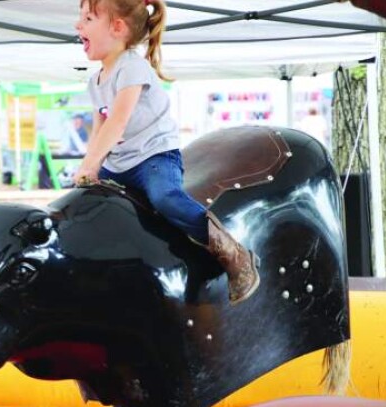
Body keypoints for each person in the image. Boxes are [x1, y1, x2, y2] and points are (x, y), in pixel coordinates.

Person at [73, 0, 259, 305]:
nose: (78, 26)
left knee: (164, 198)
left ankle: (234, 254)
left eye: (88, 18)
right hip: (119, 163)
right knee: (88, 202)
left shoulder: (131, 67)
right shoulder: (95, 81)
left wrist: (90, 164)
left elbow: (117, 122)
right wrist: (88, 166)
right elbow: (99, 130)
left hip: (154, 158)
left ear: (117, 28)